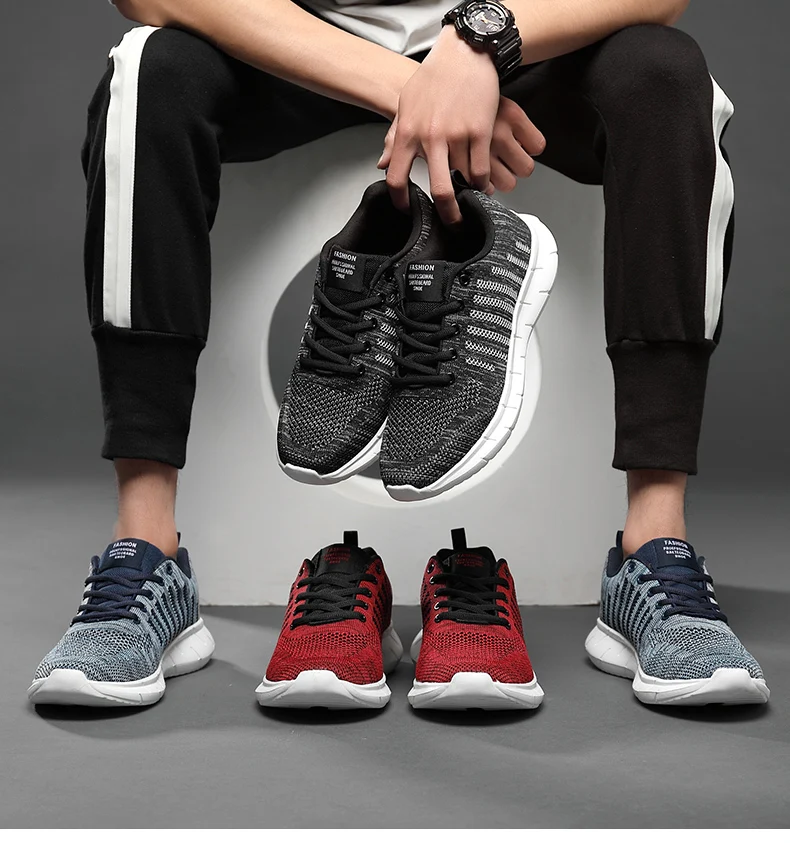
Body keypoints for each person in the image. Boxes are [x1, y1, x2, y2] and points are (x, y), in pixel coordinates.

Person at [28, 0, 769, 710]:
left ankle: (653, 550)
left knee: (667, 74)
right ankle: (147, 552)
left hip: (528, 47)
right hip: (302, 46)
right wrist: (411, 84)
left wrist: (482, 42)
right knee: (149, 71)